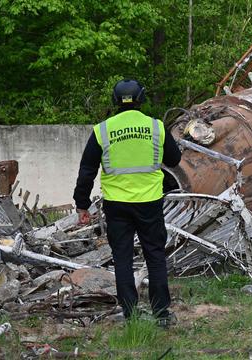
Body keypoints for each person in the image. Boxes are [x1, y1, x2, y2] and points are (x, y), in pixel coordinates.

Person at [73, 79, 182, 325]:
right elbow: (174, 160)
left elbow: (87, 169)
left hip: (116, 204)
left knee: (122, 258)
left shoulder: (103, 130)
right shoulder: (156, 127)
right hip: (150, 202)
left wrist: (82, 203)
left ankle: (130, 314)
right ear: (141, 99)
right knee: (155, 256)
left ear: (115, 100)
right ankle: (162, 314)